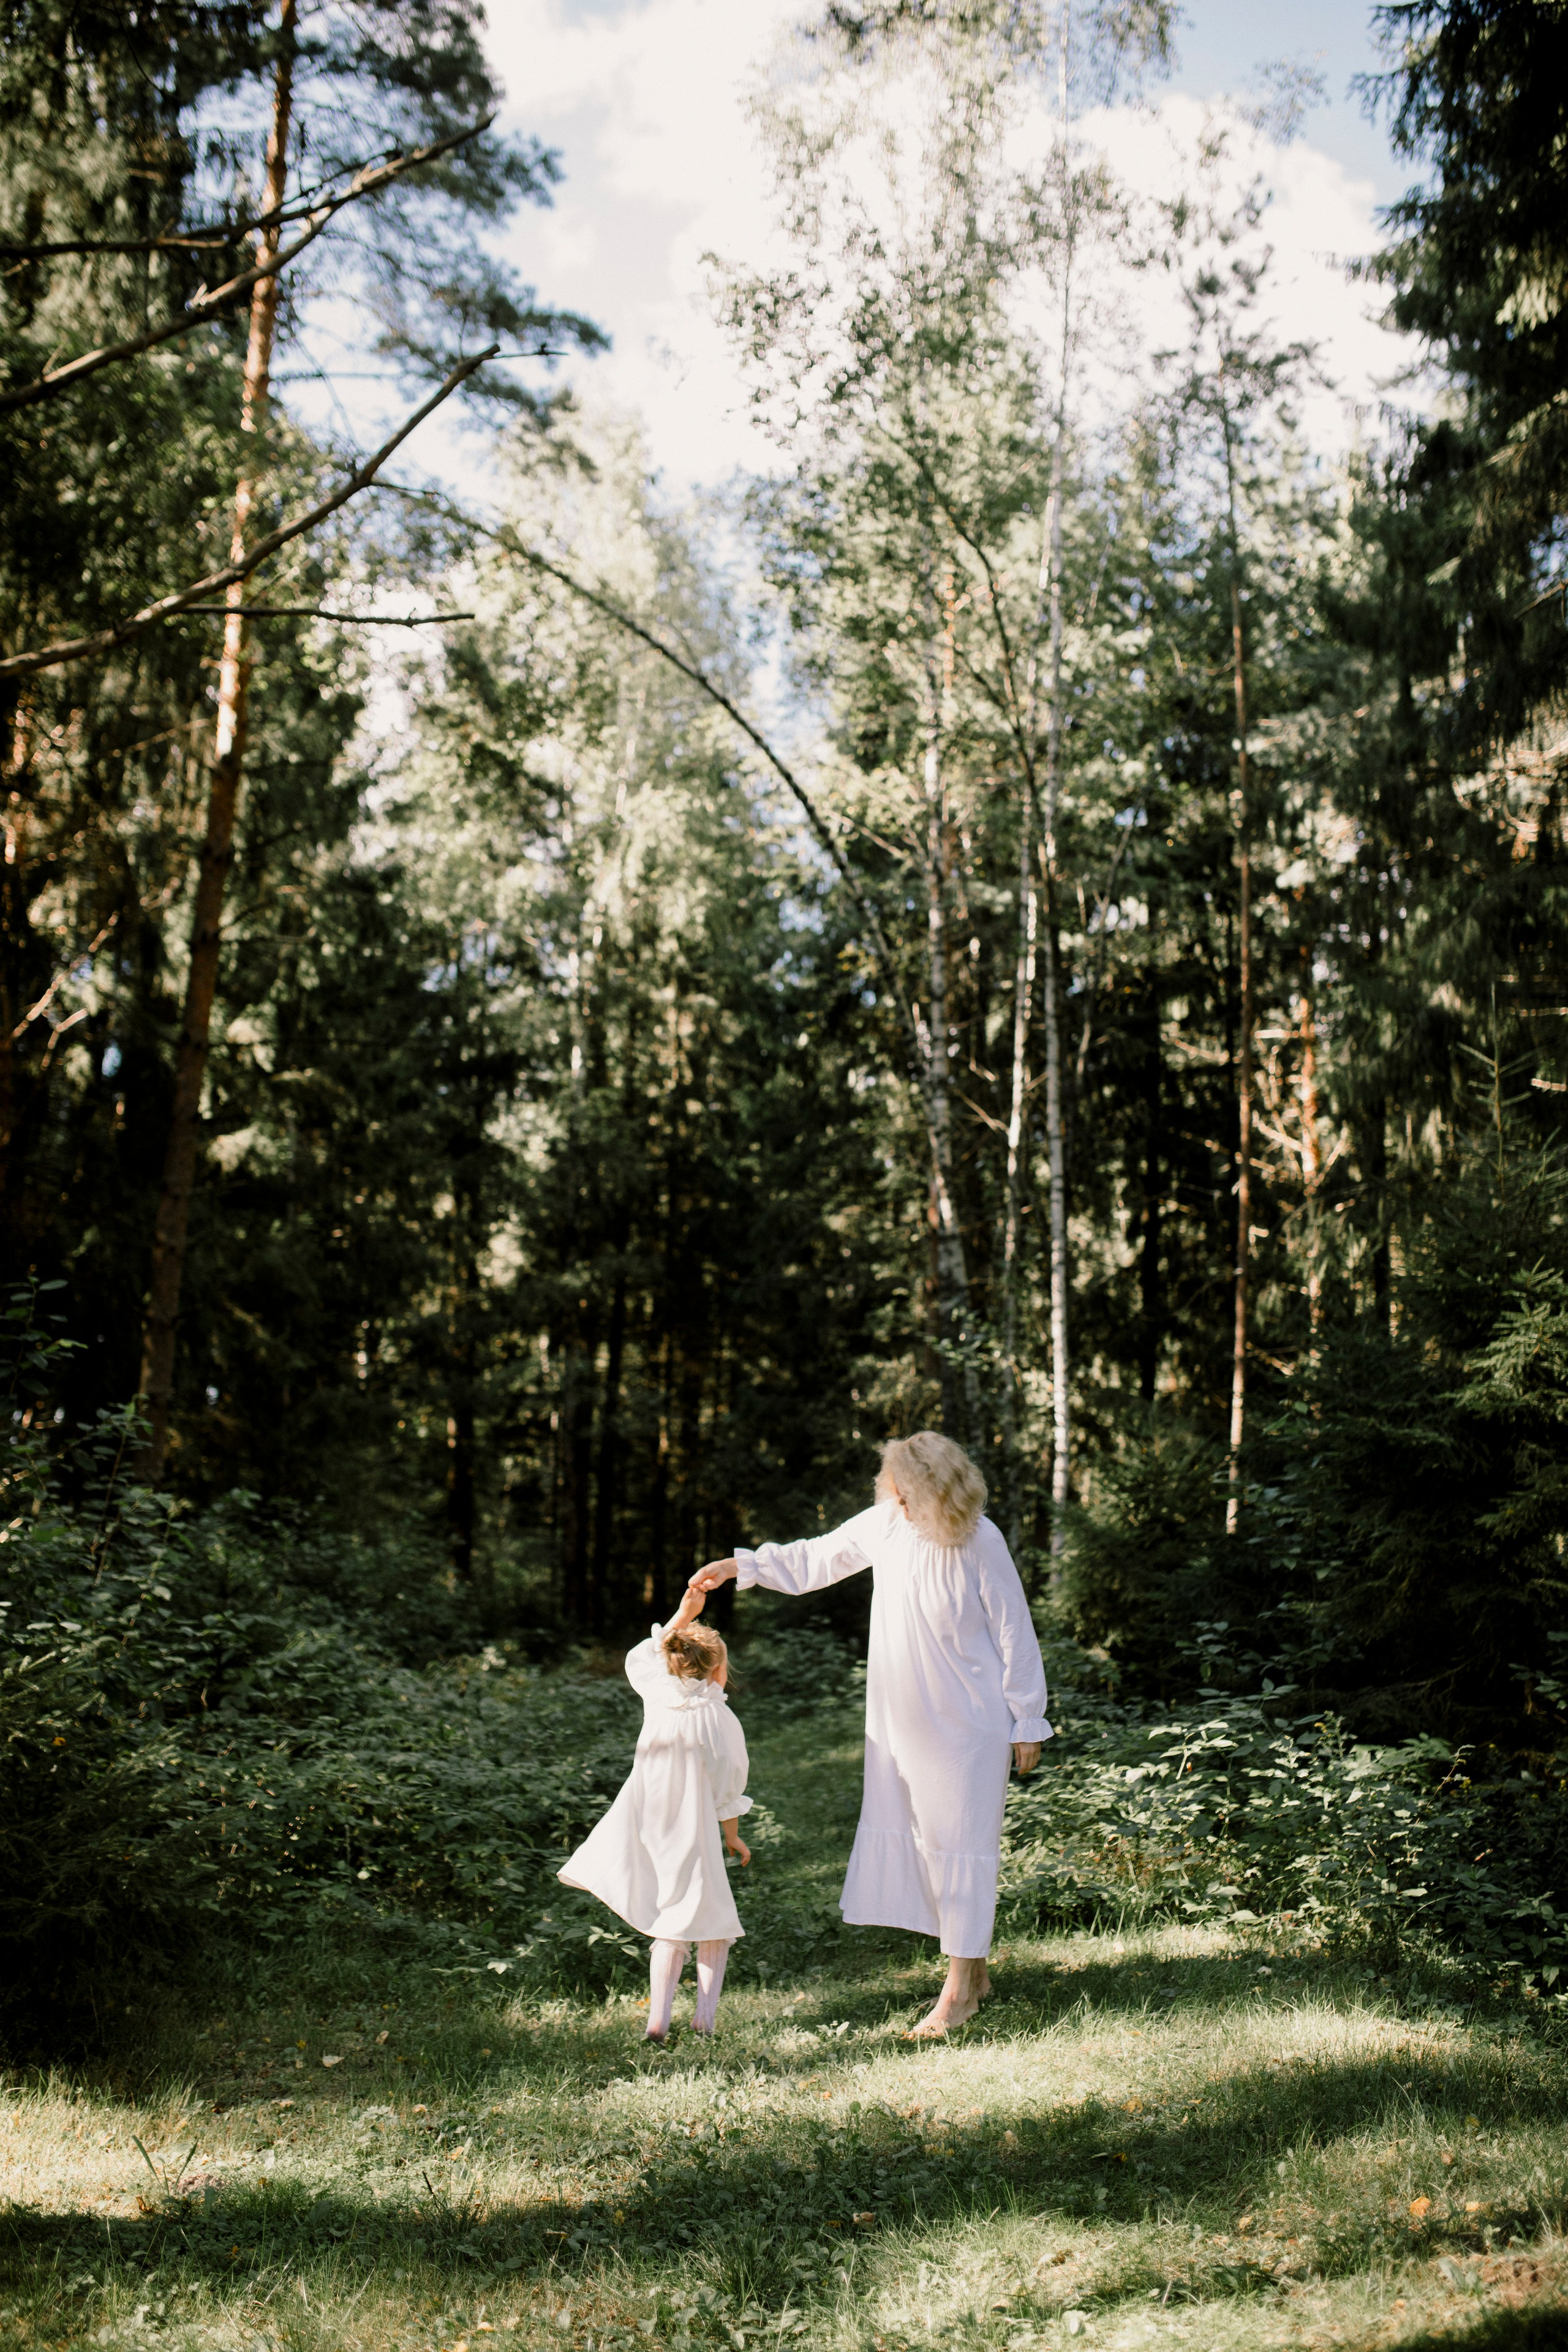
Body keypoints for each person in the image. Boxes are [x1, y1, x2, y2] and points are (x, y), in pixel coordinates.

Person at [689, 1430, 1050, 2037]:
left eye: (910, 1496)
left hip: (970, 1719)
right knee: (930, 1839)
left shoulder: (980, 1540)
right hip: (905, 1717)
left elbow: (1013, 1628)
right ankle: (975, 1976)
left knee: (963, 1842)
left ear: (943, 1491)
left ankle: (957, 1996)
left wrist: (1027, 1716)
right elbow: (816, 1557)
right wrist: (739, 1566)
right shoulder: (886, 1524)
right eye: (896, 1493)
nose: (900, 1505)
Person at [558, 1582, 752, 2041]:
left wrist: (683, 1614)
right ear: (719, 1668)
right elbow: (729, 1781)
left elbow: (640, 1656)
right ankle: (703, 2021)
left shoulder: (657, 1692)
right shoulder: (718, 1718)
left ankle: (658, 2022)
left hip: (647, 1822)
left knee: (672, 1914)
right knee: (712, 1920)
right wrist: (731, 1835)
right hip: (692, 1828)